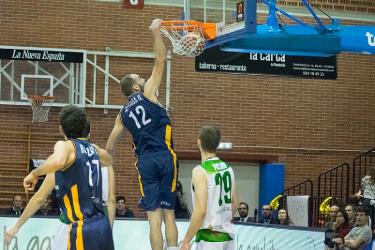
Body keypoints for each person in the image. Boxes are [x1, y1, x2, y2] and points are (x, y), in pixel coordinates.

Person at [106, 19, 178, 250]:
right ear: (136, 87)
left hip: (145, 162)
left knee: (153, 218)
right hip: (165, 156)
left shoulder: (122, 114)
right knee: (169, 214)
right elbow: (160, 61)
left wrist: (108, 163)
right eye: (139, 78)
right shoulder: (148, 93)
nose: (143, 78)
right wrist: (156, 32)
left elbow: (111, 143)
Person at [11, 105, 116, 249]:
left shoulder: (66, 146)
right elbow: (109, 160)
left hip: (82, 227)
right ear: (88, 130)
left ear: (61, 129)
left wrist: (34, 173)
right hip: (102, 226)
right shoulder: (95, 150)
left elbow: (58, 162)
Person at [180, 125, 239, 250]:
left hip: (210, 237)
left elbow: (201, 210)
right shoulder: (228, 168)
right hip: (228, 234)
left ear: (199, 141)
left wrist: (186, 240)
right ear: (217, 143)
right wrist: (221, 219)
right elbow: (235, 203)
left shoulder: (200, 171)